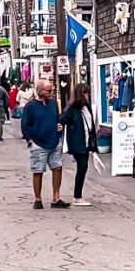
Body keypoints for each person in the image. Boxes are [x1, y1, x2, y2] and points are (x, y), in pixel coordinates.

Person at [20, 78, 70, 210]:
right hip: (38, 142)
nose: (51, 93)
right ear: (40, 91)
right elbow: (25, 123)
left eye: (51, 90)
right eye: (48, 90)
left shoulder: (53, 103)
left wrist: (59, 127)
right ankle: (38, 199)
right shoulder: (30, 106)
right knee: (38, 170)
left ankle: (56, 197)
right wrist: (29, 139)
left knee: (57, 167)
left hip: (54, 140)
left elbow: (56, 118)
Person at [59, 84, 98, 206]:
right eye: (86, 93)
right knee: (82, 167)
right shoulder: (71, 109)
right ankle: (77, 196)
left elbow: (90, 124)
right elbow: (61, 120)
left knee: (83, 167)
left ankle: (78, 196)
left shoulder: (87, 108)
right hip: (77, 143)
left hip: (86, 143)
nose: (88, 95)